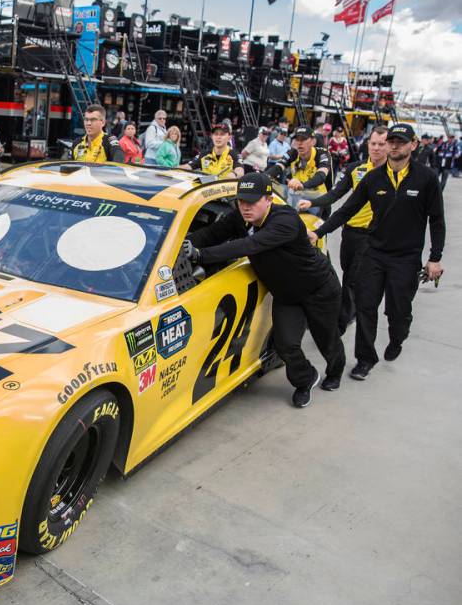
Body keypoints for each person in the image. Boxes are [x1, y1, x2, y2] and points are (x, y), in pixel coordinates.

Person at [184, 172, 345, 407]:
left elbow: (250, 245)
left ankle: (335, 372)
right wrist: (182, 244)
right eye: (241, 201)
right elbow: (212, 234)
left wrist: (201, 255)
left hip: (318, 289)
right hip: (286, 294)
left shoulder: (285, 220)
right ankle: (306, 379)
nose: (245, 207)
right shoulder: (240, 217)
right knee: (286, 344)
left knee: (327, 338)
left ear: (268, 200)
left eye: (252, 202)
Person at [309, 124, 445, 381]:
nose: (394, 146)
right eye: (391, 141)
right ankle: (365, 359)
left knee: (398, 312)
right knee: (365, 307)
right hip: (374, 252)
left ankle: (398, 337)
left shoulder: (426, 178)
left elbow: (437, 220)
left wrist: (435, 258)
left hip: (406, 258)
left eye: (400, 142)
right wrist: (320, 231)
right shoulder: (373, 178)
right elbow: (347, 209)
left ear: (412, 145)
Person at [298, 126, 389, 333]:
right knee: (347, 273)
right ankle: (351, 311)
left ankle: (339, 324)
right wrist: (312, 202)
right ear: (367, 145)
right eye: (373, 143)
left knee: (352, 280)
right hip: (350, 231)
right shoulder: (356, 169)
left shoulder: (392, 174)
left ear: (389, 146)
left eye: (381, 144)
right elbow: (335, 194)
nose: (376, 148)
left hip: (372, 236)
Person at [265, 127, 331, 198]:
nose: (299, 143)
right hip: (297, 197)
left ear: (313, 141)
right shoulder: (292, 152)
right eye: (297, 139)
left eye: (303, 139)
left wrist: (302, 185)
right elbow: (278, 167)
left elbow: (321, 176)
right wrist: (263, 177)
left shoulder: (322, 153)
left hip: (318, 199)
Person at [180, 123, 244, 177]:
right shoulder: (204, 154)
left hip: (225, 189)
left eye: (222, 134)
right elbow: (188, 166)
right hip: (205, 187)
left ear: (229, 137)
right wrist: (173, 169)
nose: (218, 137)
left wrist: (234, 174)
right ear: (212, 136)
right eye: (216, 134)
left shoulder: (235, 154)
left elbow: (240, 171)